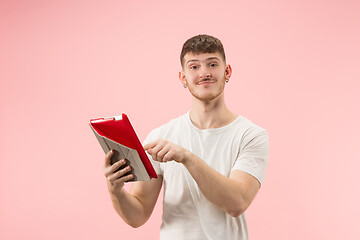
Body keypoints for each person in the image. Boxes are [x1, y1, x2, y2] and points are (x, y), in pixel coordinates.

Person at [103, 34, 269, 240]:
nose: (204, 73)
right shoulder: (161, 136)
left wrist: (187, 158)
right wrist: (115, 190)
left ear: (227, 71)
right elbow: (138, 215)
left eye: (212, 64)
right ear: (183, 78)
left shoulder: (251, 135)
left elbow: (237, 203)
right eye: (194, 66)